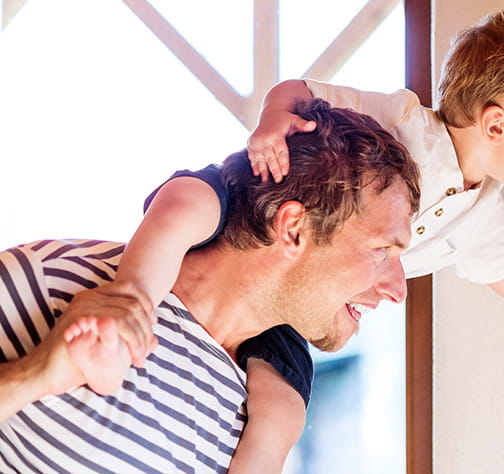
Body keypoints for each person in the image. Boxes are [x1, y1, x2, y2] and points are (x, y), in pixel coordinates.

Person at [94, 8, 504, 471]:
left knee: (282, 415)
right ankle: (128, 307)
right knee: (185, 205)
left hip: (301, 309)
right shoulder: (402, 119)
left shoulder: (482, 209)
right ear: (495, 125)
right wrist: (270, 122)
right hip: (249, 215)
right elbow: (299, 90)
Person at [0, 99, 421, 473]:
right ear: (293, 229)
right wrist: (36, 376)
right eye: (382, 249)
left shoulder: (262, 411)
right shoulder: (50, 278)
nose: (398, 289)